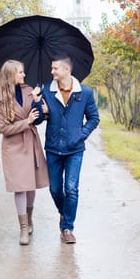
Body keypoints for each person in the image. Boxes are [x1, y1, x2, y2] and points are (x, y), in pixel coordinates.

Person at [32, 54, 100, 244]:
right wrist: (37, 101)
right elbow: (37, 120)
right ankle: (64, 212)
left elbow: (94, 118)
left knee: (71, 188)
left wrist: (81, 134)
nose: (51, 71)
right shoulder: (46, 90)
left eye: (55, 68)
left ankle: (68, 227)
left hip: (75, 150)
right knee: (55, 189)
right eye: (51, 68)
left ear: (66, 70)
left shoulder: (84, 93)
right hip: (53, 148)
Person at [0, 59, 49, 246]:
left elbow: (39, 119)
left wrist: (37, 102)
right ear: (11, 75)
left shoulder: (29, 91)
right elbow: (4, 129)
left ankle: (30, 217)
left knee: (31, 185)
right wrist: (25, 122)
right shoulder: (1, 99)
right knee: (20, 187)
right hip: (14, 147)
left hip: (31, 143)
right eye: (20, 72)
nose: (24, 75)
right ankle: (23, 228)